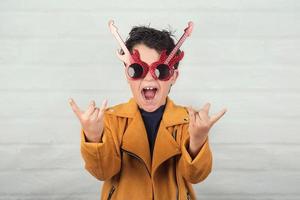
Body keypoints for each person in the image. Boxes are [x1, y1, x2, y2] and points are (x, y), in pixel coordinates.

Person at [68, 20, 227, 200]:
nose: (150, 79)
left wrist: (197, 141)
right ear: (127, 75)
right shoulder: (111, 120)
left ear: (173, 76)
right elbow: (102, 173)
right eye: (137, 70)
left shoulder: (188, 121)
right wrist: (94, 137)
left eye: (161, 71)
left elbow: (196, 176)